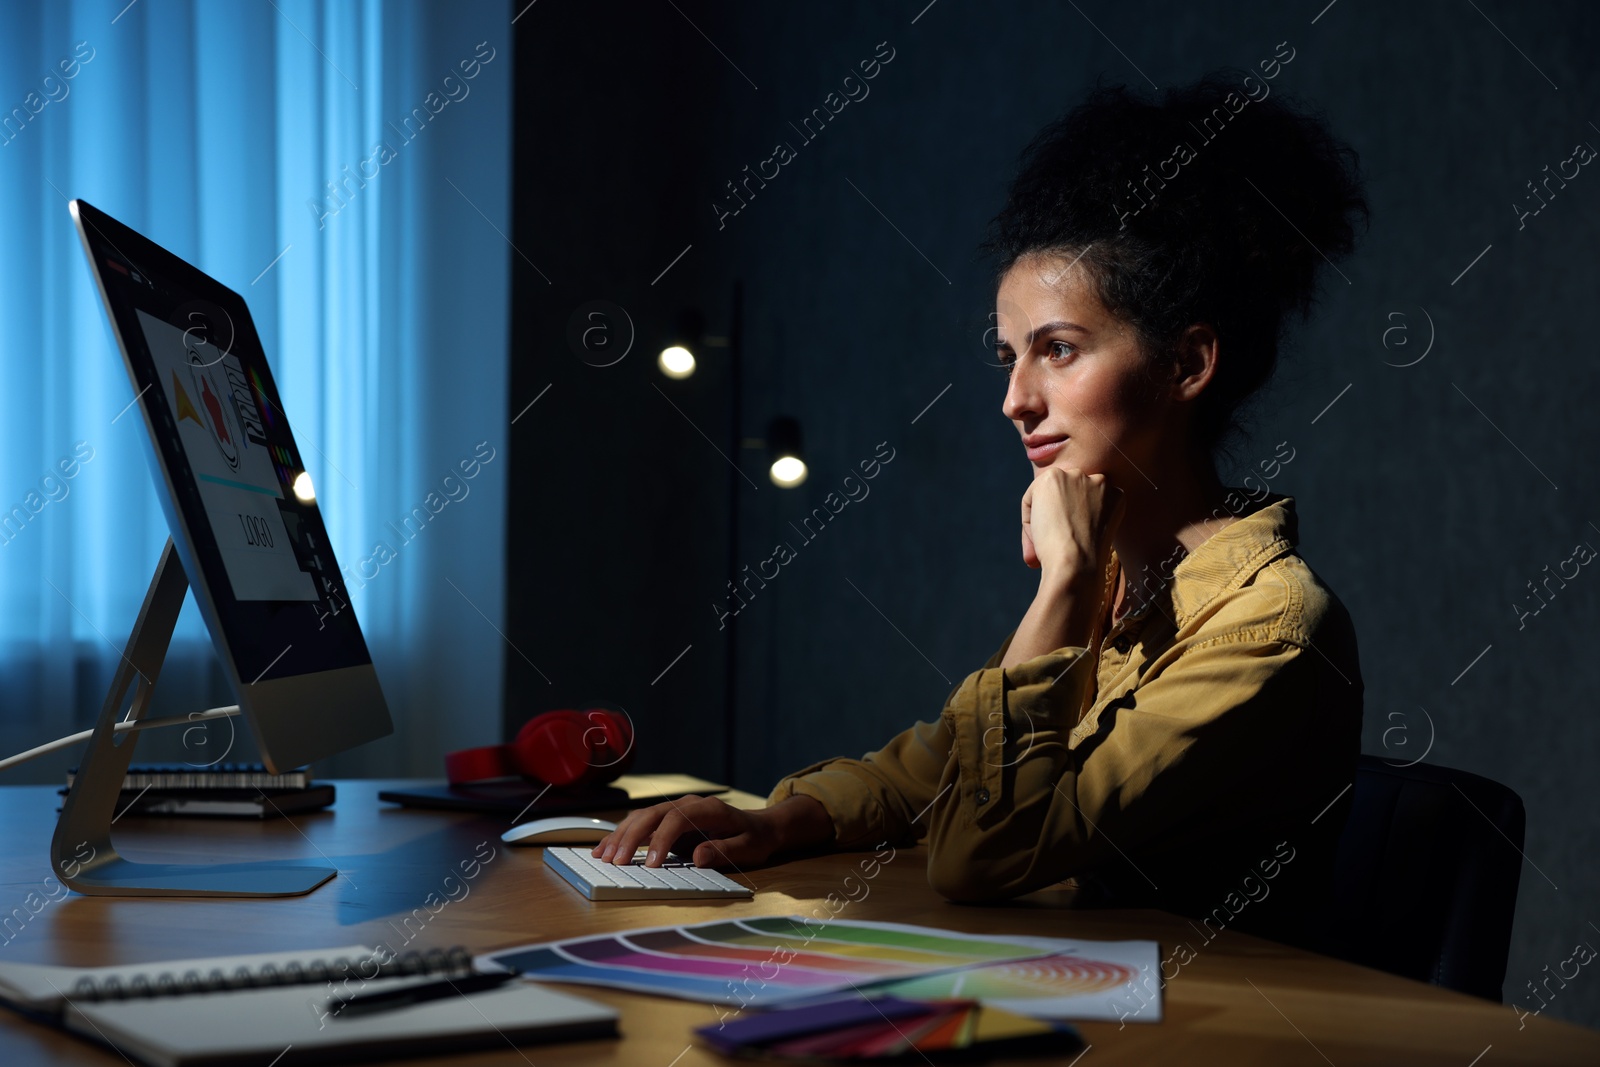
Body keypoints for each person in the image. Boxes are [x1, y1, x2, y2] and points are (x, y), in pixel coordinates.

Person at [592, 71, 1367, 949]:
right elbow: (943, 764)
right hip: (1062, 989)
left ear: (1188, 364)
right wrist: (782, 821)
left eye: (1059, 350)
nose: (1015, 400)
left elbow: (981, 852)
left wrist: (1064, 587)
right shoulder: (1120, 571)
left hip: (1200, 1028)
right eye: (1008, 357)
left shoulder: (1269, 626)